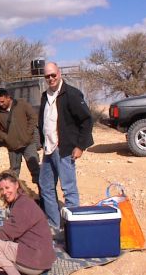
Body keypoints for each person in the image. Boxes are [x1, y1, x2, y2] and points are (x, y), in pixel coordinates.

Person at [39, 62, 94, 229]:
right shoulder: (44, 95)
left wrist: (80, 146)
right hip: (49, 149)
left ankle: (74, 229)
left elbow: (86, 120)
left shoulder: (71, 94)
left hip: (65, 149)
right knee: (46, 186)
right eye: (47, 76)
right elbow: (43, 121)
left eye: (53, 75)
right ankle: (54, 224)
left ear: (59, 73)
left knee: (68, 189)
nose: (51, 78)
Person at [0, 171, 56, 275]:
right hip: (42, 257)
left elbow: (4, 235)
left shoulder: (22, 205)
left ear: (16, 185)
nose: (4, 192)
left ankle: (12, 272)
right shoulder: (23, 200)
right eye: (1, 189)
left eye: (7, 188)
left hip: (35, 261)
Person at [0, 89, 41, 195]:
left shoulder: (22, 104)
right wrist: (6, 137)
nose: (1, 104)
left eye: (2, 101)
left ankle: (43, 195)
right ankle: (15, 197)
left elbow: (33, 117)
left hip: (28, 143)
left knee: (35, 168)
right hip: (12, 146)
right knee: (14, 172)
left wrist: (28, 133)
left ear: (8, 98)